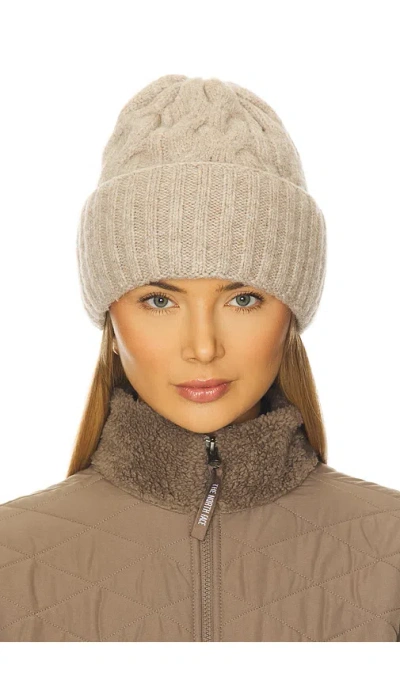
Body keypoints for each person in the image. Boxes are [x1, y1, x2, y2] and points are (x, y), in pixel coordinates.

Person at [1, 75, 399, 643]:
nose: (204, 346)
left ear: (290, 314)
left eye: (244, 299)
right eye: (159, 300)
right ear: (111, 322)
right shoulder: (12, 557)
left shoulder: (389, 550)